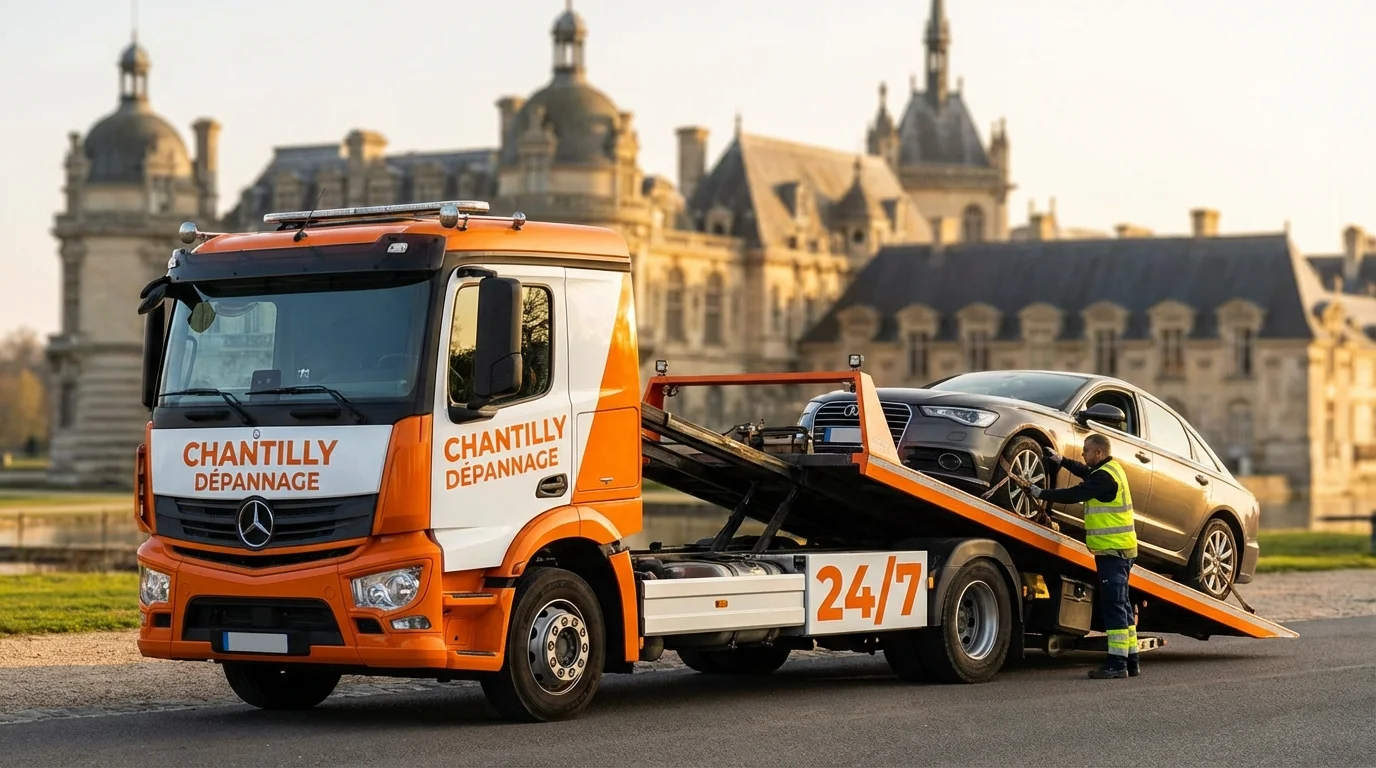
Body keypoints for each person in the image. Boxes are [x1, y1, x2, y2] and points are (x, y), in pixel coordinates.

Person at [1010, 433, 1140, 679]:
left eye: (1086, 451)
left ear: (1098, 453)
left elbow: (1074, 493)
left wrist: (1041, 493)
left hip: (1114, 551)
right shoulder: (1110, 469)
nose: (1083, 454)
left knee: (1113, 606)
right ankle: (1131, 661)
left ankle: (1116, 664)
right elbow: (1084, 471)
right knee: (1121, 604)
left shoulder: (1104, 478)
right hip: (1118, 550)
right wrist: (1062, 461)